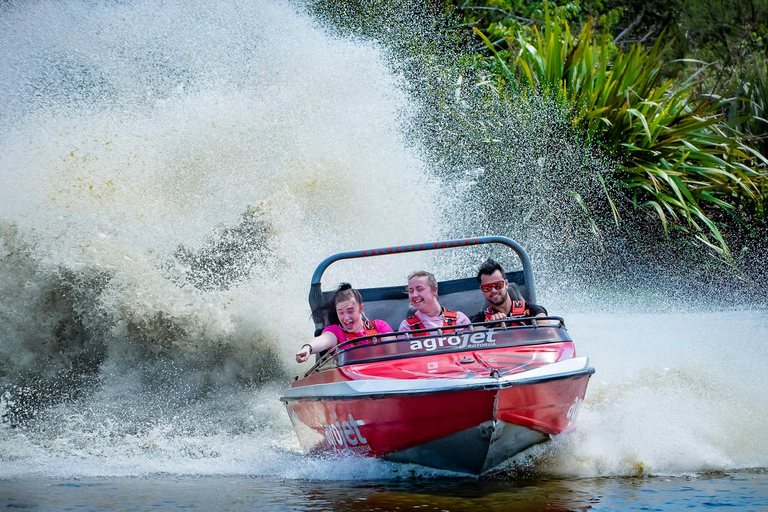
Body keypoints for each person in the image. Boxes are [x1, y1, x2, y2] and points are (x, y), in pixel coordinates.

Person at [295, 283, 393, 363]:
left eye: (350, 311)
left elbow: (394, 352)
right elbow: (324, 340)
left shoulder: (379, 326)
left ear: (360, 308)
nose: (346, 318)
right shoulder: (336, 332)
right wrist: (308, 348)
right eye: (341, 313)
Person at [470, 258, 551, 326]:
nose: (494, 291)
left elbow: (548, 331)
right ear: (482, 290)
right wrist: (493, 329)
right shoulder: (479, 321)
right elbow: (474, 336)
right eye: (487, 288)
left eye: (498, 285)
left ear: (506, 284)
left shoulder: (532, 311)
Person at [398, 270, 471, 336]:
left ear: (434, 290)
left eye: (420, 289)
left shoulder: (459, 319)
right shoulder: (407, 327)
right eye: (411, 291)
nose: (414, 295)